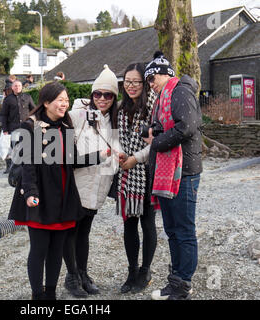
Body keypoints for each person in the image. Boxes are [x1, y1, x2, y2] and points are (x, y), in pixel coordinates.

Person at [8, 81, 110, 300]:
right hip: (40, 196)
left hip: (63, 196)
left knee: (56, 249)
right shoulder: (30, 126)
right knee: (39, 249)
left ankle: (51, 294)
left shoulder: (66, 127)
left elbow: (70, 160)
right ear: (46, 102)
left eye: (66, 100)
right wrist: (31, 192)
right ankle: (38, 296)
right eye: (59, 100)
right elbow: (28, 165)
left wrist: (98, 156)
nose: (64, 104)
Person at [143, 51, 203, 300]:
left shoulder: (179, 91)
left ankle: (183, 284)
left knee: (183, 230)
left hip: (183, 172)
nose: (151, 84)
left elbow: (186, 127)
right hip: (170, 172)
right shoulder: (165, 96)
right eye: (149, 80)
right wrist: (151, 131)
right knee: (173, 230)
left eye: (152, 78)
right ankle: (177, 280)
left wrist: (156, 142)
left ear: (165, 73)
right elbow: (170, 125)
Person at [63, 64, 119, 297]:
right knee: (71, 232)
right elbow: (59, 138)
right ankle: (72, 276)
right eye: (97, 94)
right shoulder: (79, 115)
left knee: (84, 232)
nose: (102, 99)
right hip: (77, 183)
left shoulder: (116, 119)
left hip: (98, 184)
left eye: (107, 94)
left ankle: (83, 273)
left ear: (114, 97)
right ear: (92, 95)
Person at [115, 63, 158, 294]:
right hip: (126, 174)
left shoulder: (154, 107)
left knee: (147, 223)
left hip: (147, 171)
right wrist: (121, 155)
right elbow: (116, 140)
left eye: (136, 82)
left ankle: (146, 270)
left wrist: (135, 158)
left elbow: (157, 143)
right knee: (129, 224)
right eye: (127, 82)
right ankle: (131, 271)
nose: (131, 86)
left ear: (144, 83)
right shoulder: (120, 110)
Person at [0, 80, 36, 173]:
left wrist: (33, 122)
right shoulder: (8, 99)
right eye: (15, 86)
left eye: (19, 85)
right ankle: (15, 169)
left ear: (21, 87)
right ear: (12, 87)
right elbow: (3, 115)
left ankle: (26, 167)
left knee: (27, 147)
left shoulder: (27, 97)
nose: (17, 87)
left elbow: (34, 110)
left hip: (26, 127)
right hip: (13, 128)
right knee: (15, 148)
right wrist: (5, 129)